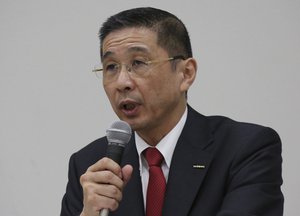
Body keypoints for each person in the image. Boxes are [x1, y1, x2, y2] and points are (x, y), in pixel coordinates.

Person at [60, 7, 284, 216]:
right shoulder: (89, 166)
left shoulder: (245, 149)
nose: (122, 82)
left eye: (138, 62)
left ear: (186, 73)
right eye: (111, 67)